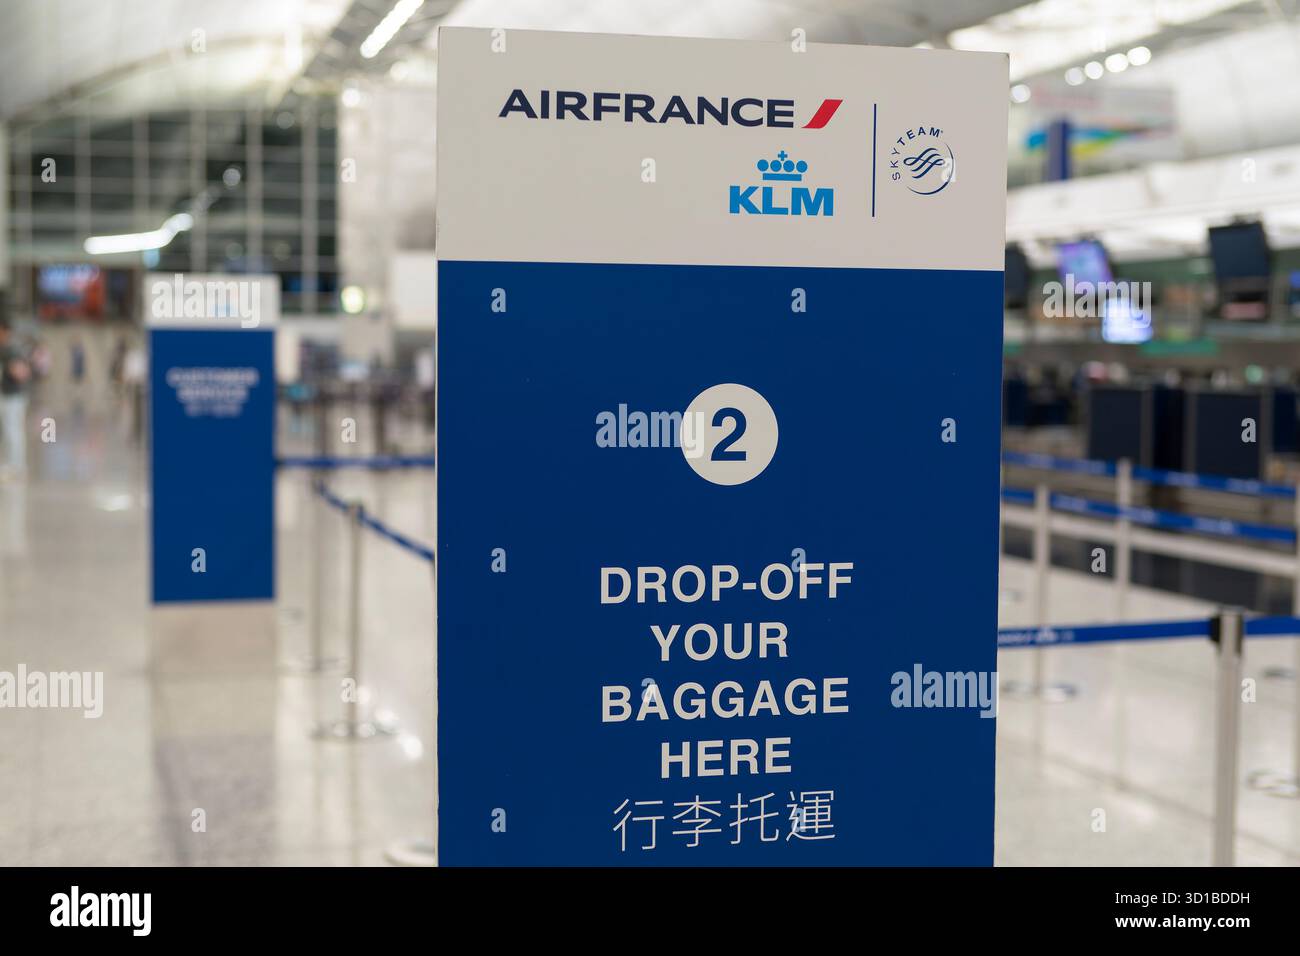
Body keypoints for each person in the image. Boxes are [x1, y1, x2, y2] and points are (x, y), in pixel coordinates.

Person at [0, 320, 32, 478]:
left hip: (13, 397)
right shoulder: (7, 349)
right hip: (7, 395)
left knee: (14, 431)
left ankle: (17, 466)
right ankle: (13, 464)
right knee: (9, 430)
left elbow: (22, 372)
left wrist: (14, 370)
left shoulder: (11, 350)